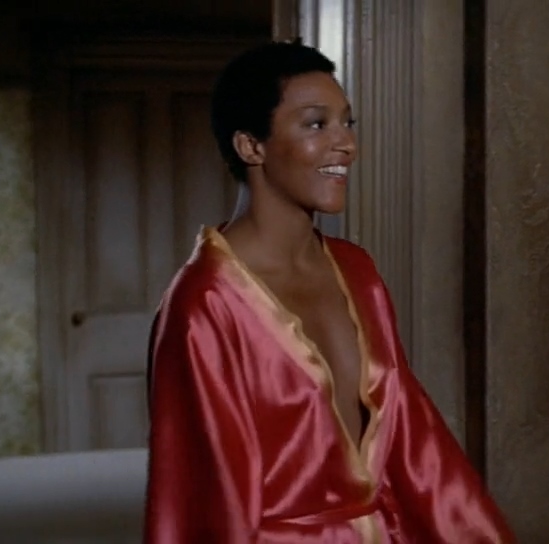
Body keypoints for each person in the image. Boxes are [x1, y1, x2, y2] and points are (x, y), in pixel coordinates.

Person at [143, 40, 515, 543]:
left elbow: (416, 445)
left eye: (347, 123)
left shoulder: (356, 271)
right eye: (317, 124)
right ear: (251, 146)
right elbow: (205, 503)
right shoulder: (204, 305)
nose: (347, 145)